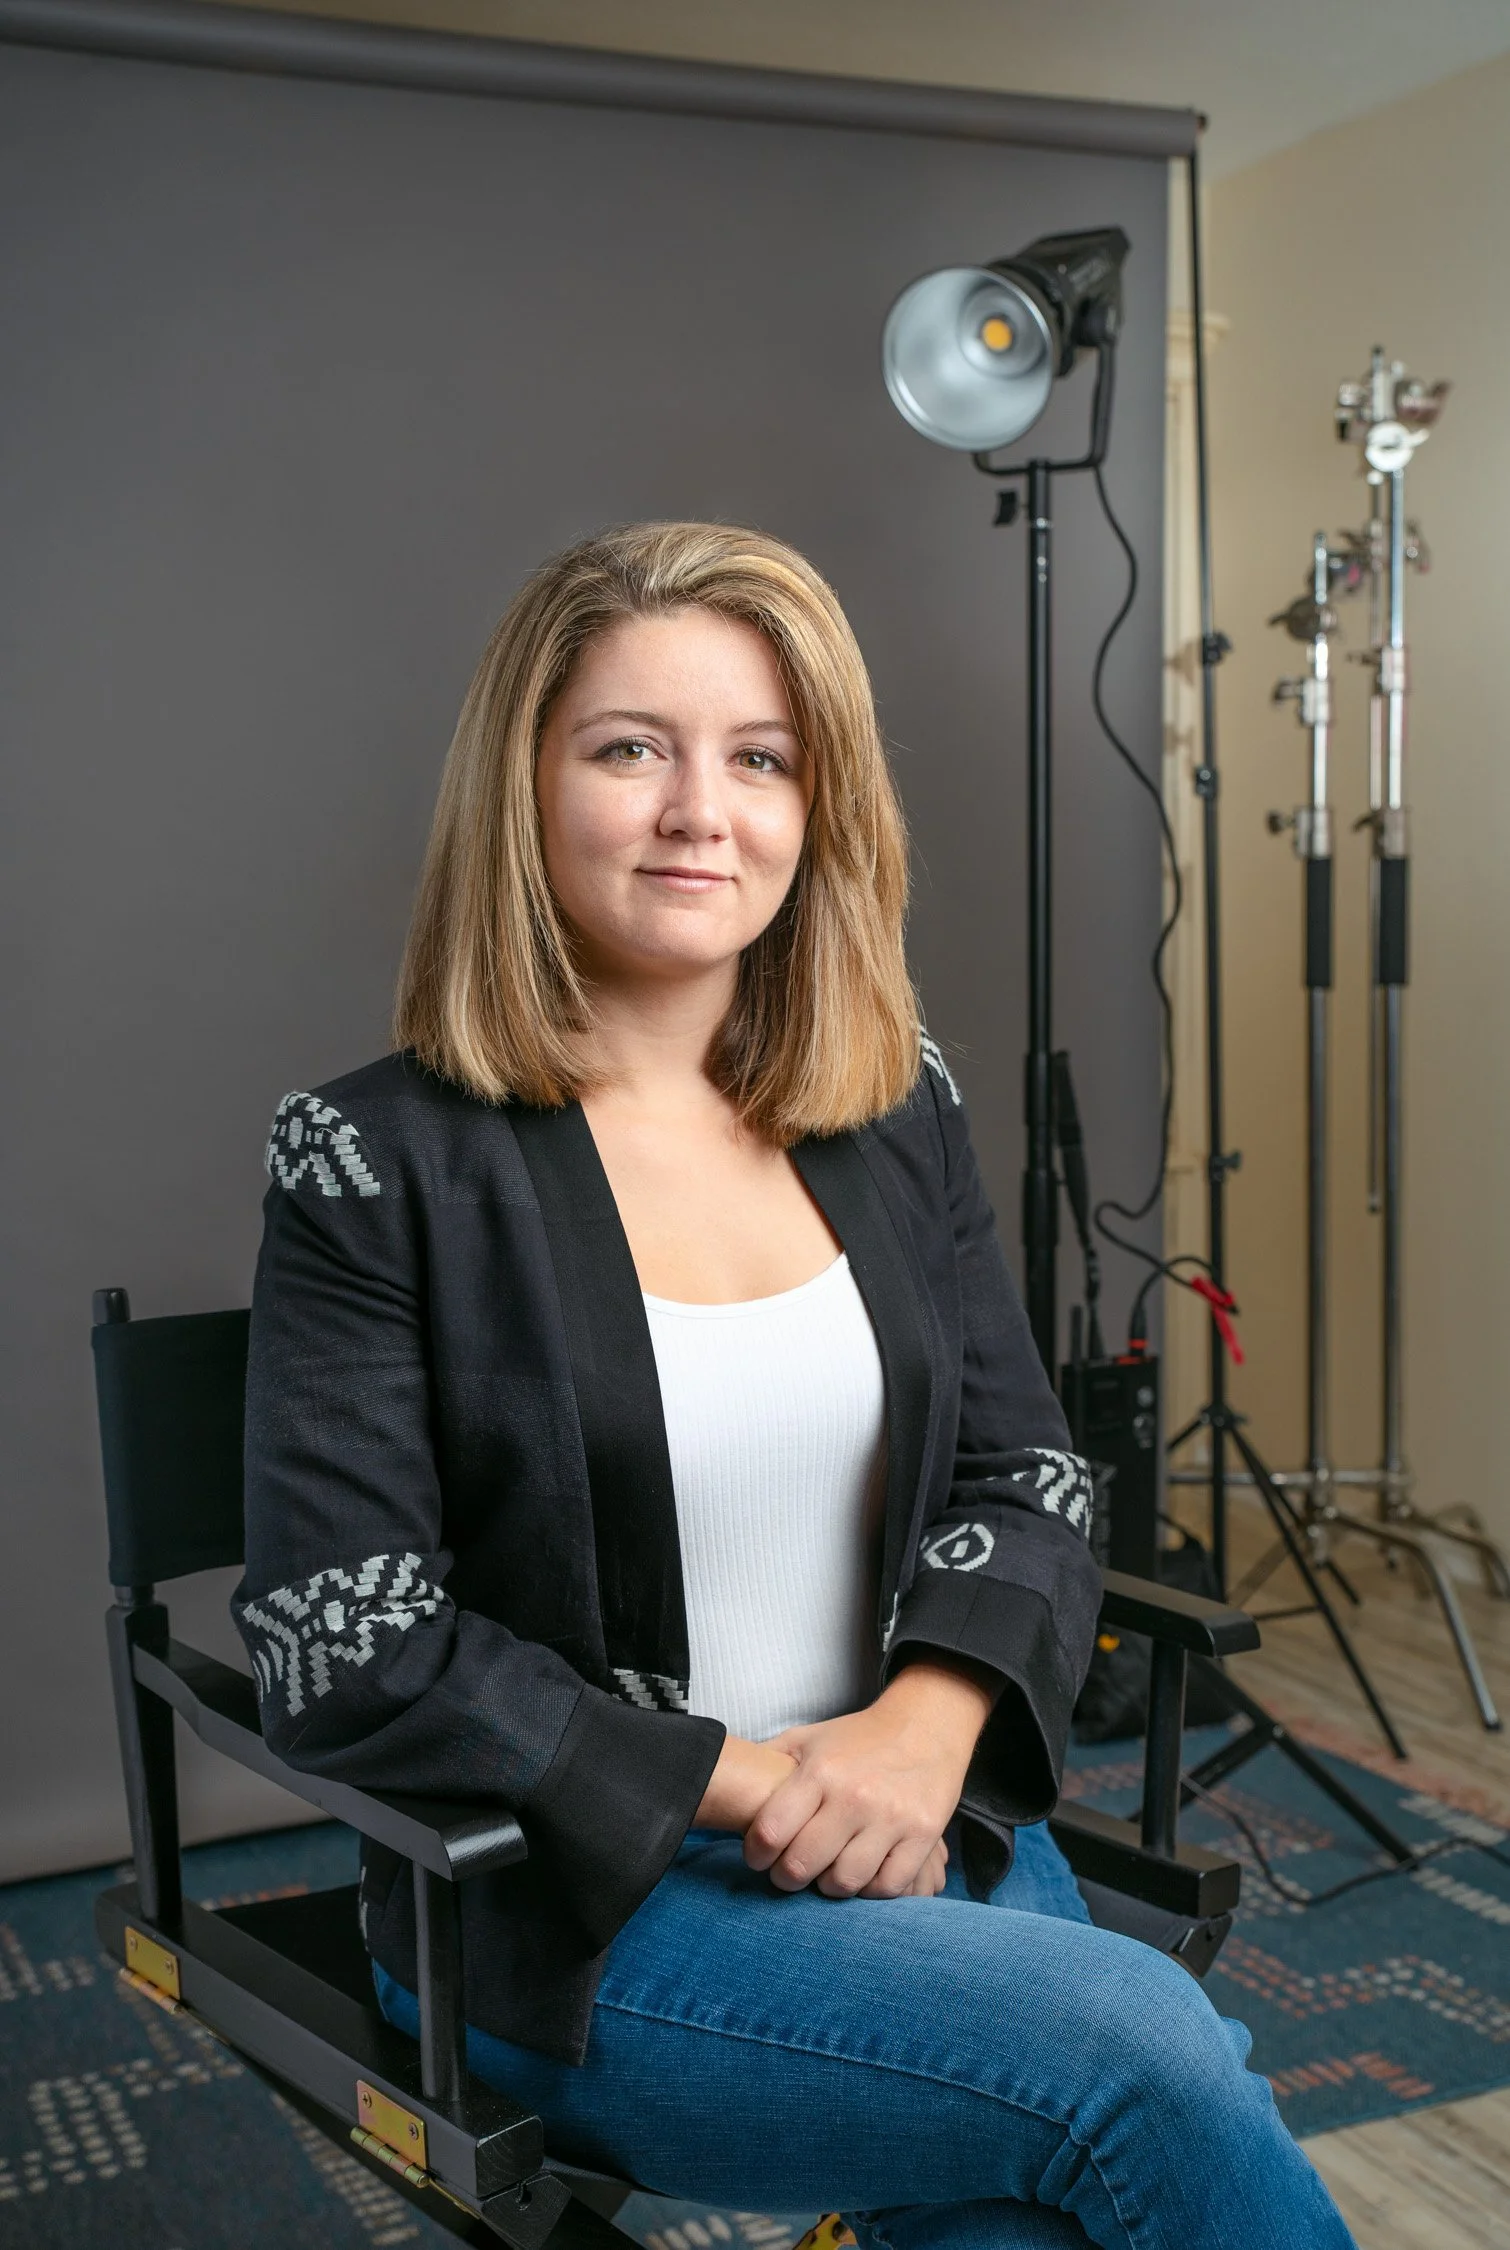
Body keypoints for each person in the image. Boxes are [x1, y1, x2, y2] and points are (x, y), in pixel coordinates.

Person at [234, 522, 1353, 2249]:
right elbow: (344, 1626)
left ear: (817, 805)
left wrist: (922, 1728)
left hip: (925, 1814)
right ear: (521, 786)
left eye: (760, 758)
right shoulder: (377, 1157)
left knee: (1024, 2217)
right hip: (588, 1906)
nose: (703, 811)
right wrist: (764, 1784)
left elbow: (1028, 1474)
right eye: (631, 748)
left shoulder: (890, 1102)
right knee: (1147, 2048)